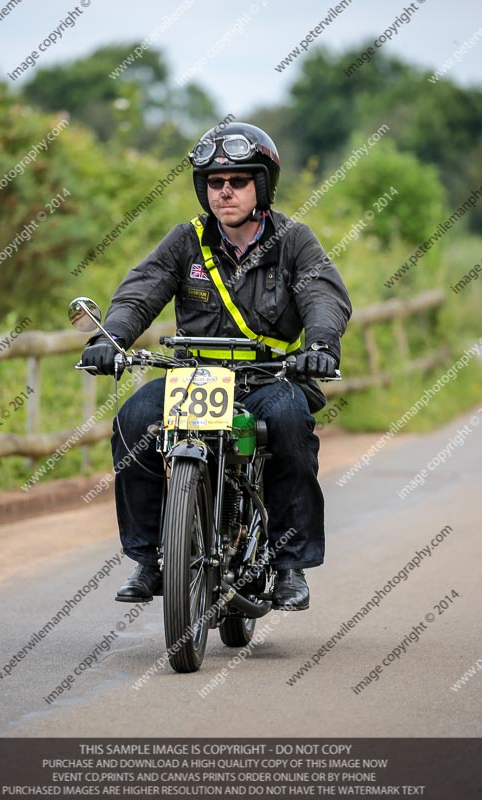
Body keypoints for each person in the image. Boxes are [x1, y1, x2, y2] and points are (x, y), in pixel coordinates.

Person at [81, 122, 352, 610]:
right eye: (214, 183)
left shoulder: (294, 240)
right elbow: (142, 289)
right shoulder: (186, 241)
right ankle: (151, 559)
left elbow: (323, 296)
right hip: (196, 378)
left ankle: (289, 566)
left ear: (262, 186)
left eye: (238, 181)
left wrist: (322, 344)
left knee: (290, 424)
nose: (225, 191)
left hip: (269, 377)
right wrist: (112, 338)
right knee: (133, 421)